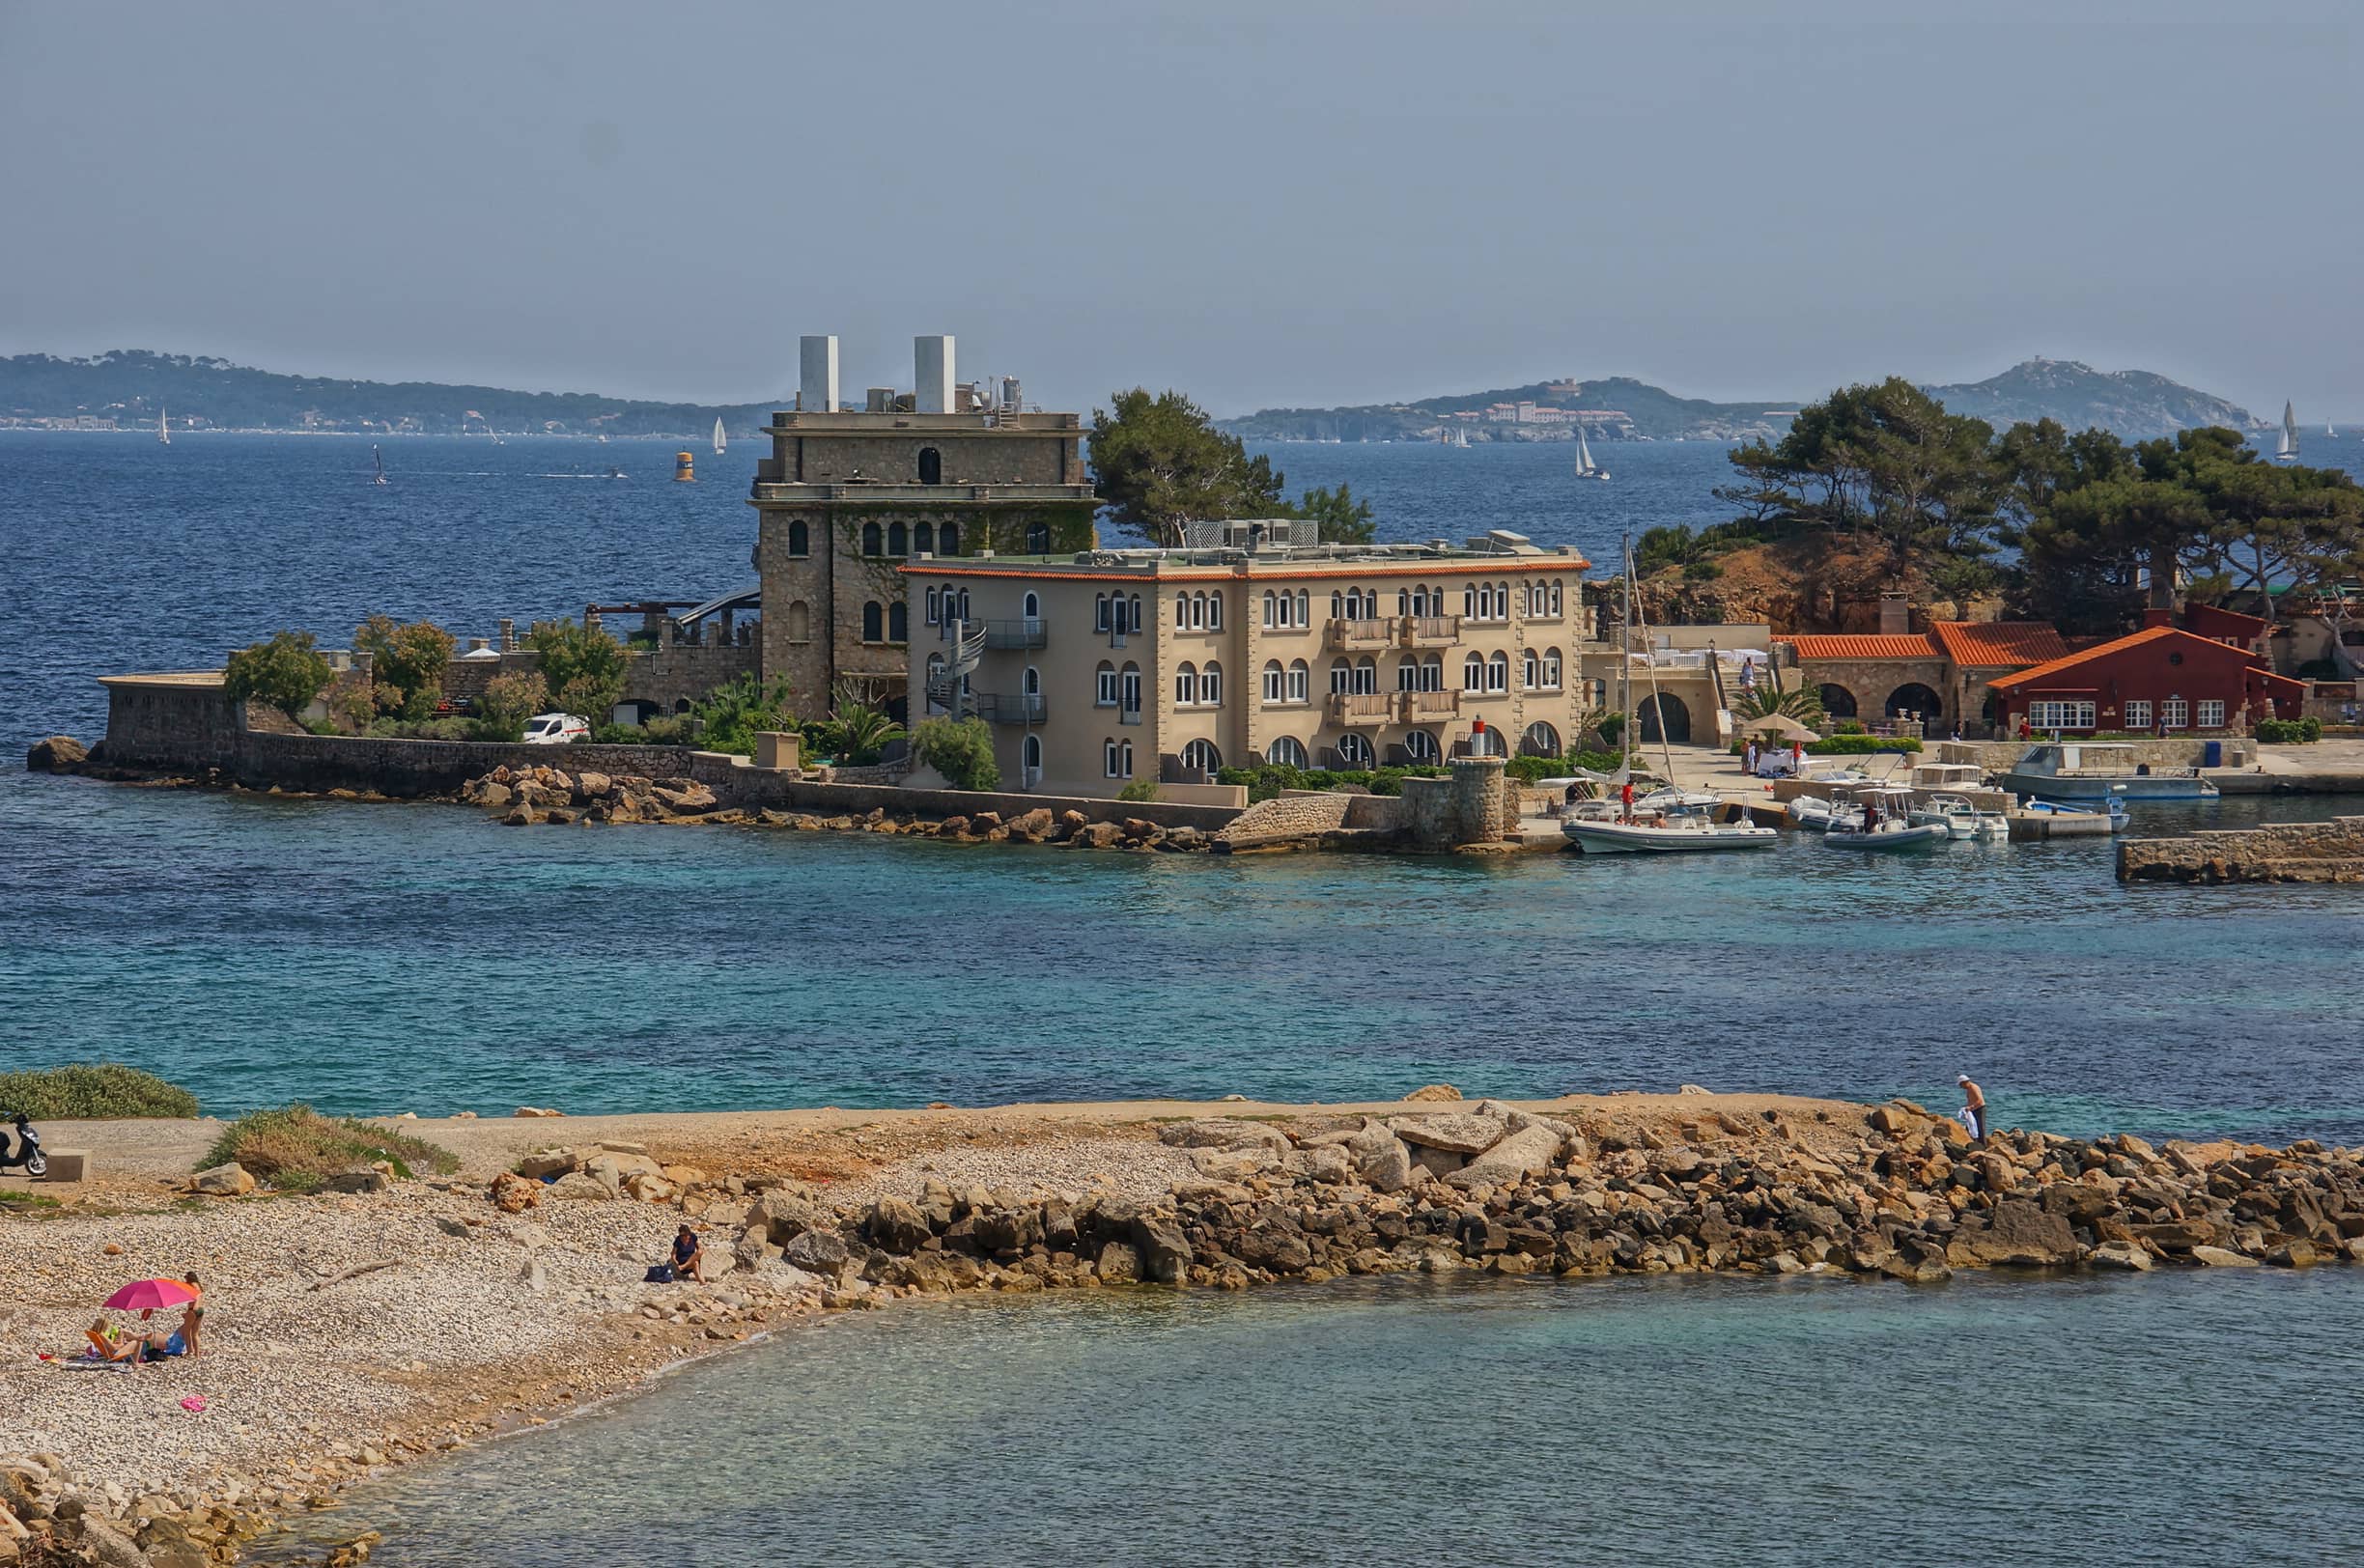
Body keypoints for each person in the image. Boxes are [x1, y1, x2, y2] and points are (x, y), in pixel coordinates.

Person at [1957, 1074, 1987, 1143]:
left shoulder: (1974, 1088)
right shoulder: (1969, 1089)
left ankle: (1983, 1145)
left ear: (1964, 1082)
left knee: (1981, 1128)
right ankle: (1974, 1143)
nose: (1961, 1087)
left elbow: (1980, 1100)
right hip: (1973, 1110)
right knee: (1970, 1127)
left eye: (1961, 1085)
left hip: (1980, 1109)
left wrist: (1971, 1107)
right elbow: (1971, 1100)